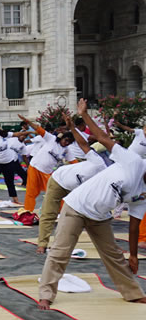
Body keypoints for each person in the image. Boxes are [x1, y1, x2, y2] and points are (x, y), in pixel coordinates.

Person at [36, 110, 146, 309]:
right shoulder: (134, 162)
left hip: (100, 216)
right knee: (61, 252)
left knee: (114, 255)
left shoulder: (143, 194)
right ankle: (46, 294)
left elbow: (134, 224)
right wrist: (84, 115)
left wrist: (133, 255)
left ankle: (133, 293)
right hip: (77, 206)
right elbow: (102, 138)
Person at [35, 103, 105, 253]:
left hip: (74, 190)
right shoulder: (99, 163)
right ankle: (42, 243)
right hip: (58, 180)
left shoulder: (103, 185)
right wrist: (72, 127)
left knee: (76, 216)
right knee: (49, 213)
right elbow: (84, 144)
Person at [18, 114, 76, 213]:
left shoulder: (67, 150)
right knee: (31, 192)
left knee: (56, 192)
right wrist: (27, 121)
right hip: (34, 167)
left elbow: (74, 162)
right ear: (61, 137)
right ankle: (27, 211)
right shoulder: (51, 139)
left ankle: (62, 212)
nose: (67, 143)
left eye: (69, 142)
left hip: (46, 173)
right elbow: (38, 129)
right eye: (66, 140)